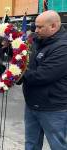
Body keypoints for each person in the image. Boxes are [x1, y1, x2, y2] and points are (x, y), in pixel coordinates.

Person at [22, 10, 67, 150]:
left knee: (57, 145)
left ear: (53, 26)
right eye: (35, 26)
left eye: (40, 27)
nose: (36, 30)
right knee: (31, 144)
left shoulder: (63, 47)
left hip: (53, 107)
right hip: (32, 104)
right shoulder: (37, 41)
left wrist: (17, 74)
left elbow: (43, 76)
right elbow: (27, 63)